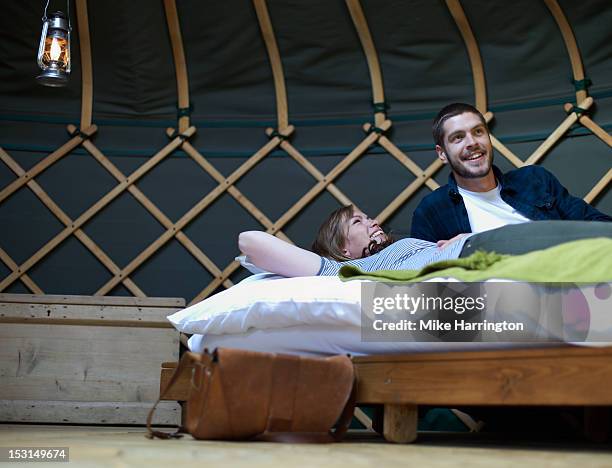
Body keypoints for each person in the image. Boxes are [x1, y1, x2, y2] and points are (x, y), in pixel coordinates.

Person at [410, 103, 611, 243]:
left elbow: (602, 227)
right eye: (458, 137)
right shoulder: (432, 210)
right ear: (442, 154)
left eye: (478, 132)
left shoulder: (535, 180)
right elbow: (418, 277)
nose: (472, 143)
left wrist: (477, 242)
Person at [238, 205, 470, 278]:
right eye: (358, 222)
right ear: (342, 248)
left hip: (474, 250)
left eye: (368, 218)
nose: (375, 222)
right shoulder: (344, 271)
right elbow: (249, 241)